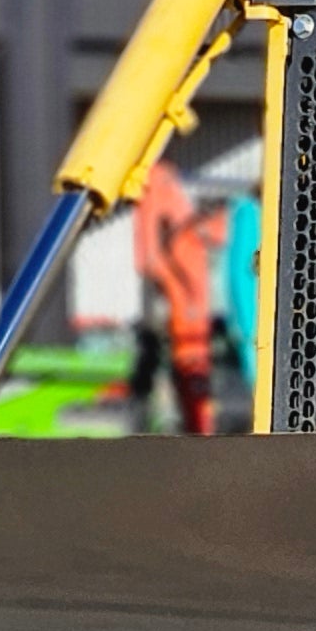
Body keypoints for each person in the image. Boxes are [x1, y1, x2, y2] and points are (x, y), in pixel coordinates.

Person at [128, 161, 218, 436]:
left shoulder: (172, 193)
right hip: (191, 324)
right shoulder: (158, 180)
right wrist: (184, 296)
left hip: (198, 320)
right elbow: (148, 258)